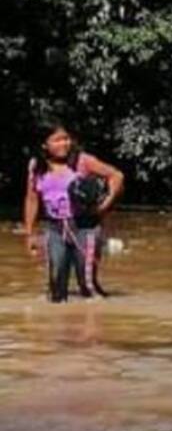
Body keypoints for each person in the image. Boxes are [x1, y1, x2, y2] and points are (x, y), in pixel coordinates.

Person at [23, 122, 125, 303]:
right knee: (56, 285)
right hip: (54, 228)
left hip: (85, 227)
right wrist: (30, 233)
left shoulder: (83, 161)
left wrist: (105, 205)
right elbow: (32, 199)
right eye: (57, 140)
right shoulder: (36, 166)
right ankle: (59, 325)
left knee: (87, 284)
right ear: (44, 144)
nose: (64, 144)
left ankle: (96, 323)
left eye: (66, 139)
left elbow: (116, 176)